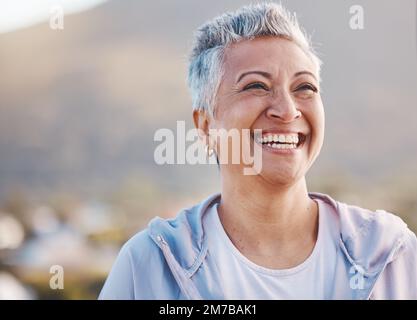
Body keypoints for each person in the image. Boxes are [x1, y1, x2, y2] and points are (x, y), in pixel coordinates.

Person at [99, 2, 417, 300]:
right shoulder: (151, 266)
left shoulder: (392, 254)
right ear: (206, 125)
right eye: (256, 86)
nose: (287, 110)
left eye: (304, 87)